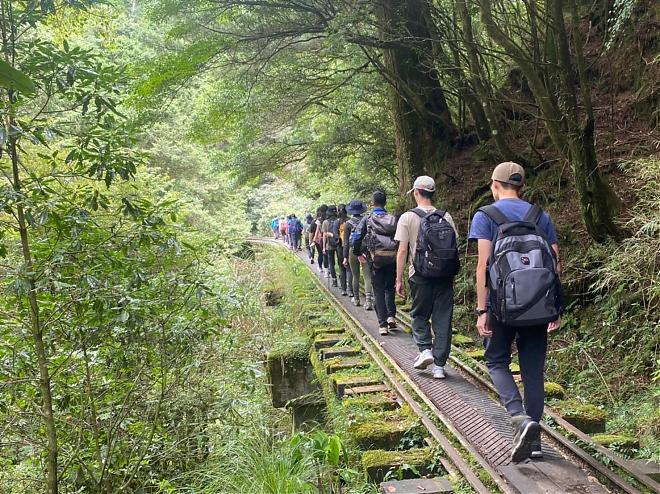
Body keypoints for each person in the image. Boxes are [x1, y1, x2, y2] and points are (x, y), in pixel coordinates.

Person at [469, 161, 562, 463]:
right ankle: (534, 444)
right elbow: (555, 264)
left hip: (501, 305)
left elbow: (483, 266)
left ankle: (518, 417)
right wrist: (554, 307)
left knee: (496, 360)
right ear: (522, 187)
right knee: (533, 371)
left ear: (495, 185)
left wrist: (482, 309)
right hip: (538, 304)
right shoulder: (540, 215)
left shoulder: (486, 216)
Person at [395, 176, 460, 380]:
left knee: (419, 315)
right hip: (444, 276)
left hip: (419, 275)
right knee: (443, 319)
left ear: (416, 192)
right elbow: (454, 248)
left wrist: (399, 279)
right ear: (432, 193)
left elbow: (402, 250)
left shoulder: (408, 217)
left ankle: (425, 349)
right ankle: (439, 366)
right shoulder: (446, 217)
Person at [353, 191, 398, 335]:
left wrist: (358, 253)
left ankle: (383, 324)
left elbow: (357, 237)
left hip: (375, 258)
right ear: (385, 203)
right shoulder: (392, 219)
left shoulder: (367, 219)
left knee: (378, 289)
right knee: (389, 287)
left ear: (372, 203)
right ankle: (391, 316)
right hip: (392, 257)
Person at [343, 199, 373, 309]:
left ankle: (356, 299)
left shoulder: (348, 224)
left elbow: (345, 242)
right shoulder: (367, 220)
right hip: (366, 250)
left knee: (355, 275)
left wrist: (345, 257)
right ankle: (369, 301)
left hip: (352, 250)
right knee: (367, 275)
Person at [322, 205, 339, 286]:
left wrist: (324, 247)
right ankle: (343, 280)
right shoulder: (339, 220)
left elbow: (324, 235)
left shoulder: (325, 222)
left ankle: (334, 280)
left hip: (330, 245)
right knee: (340, 262)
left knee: (331, 263)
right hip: (339, 244)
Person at [336, 204, 350, 296]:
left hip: (340, 247)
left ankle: (343, 289)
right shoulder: (350, 221)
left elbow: (334, 236)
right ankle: (351, 290)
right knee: (350, 269)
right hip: (349, 246)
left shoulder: (337, 222)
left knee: (342, 268)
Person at [313, 206, 328, 274]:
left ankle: (320, 267)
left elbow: (317, 231)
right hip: (329, 238)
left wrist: (314, 239)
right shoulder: (329, 218)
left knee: (321, 254)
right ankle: (328, 270)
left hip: (321, 238)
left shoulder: (319, 220)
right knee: (328, 255)